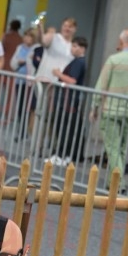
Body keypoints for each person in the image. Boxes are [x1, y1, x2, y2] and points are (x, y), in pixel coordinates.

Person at [90, 29, 128, 182]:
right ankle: (113, 181)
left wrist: (95, 106)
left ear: (121, 42)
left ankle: (117, 182)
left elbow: (102, 84)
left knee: (112, 147)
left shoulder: (114, 59)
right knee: (122, 147)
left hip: (111, 108)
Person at [47, 35, 88, 165]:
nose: (72, 48)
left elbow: (72, 81)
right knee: (66, 128)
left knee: (65, 128)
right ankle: (68, 154)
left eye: (75, 46)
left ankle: (62, 154)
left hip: (68, 101)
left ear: (82, 48)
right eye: (72, 46)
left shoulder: (79, 62)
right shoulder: (77, 61)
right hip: (67, 100)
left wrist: (59, 74)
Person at [36, 17, 77, 83]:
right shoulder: (53, 37)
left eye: (70, 27)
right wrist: (40, 29)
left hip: (59, 84)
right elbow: (42, 41)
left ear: (74, 29)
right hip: (44, 79)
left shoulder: (73, 46)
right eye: (65, 26)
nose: (67, 29)